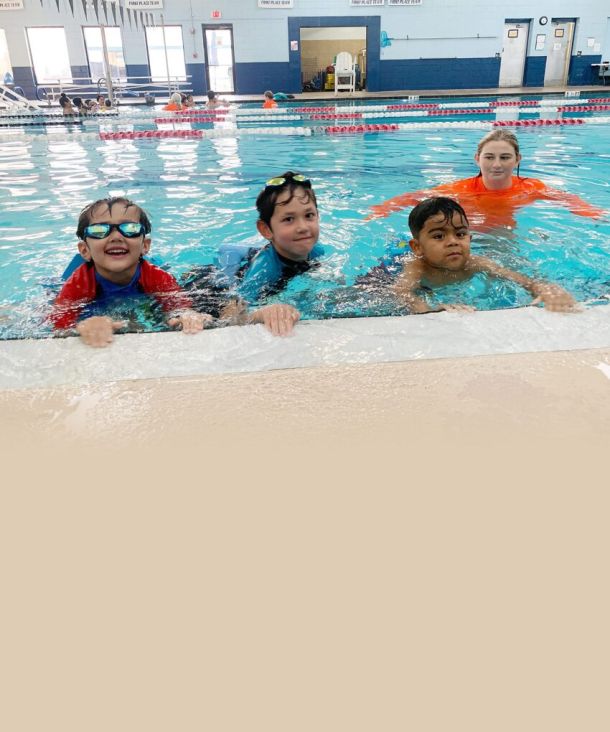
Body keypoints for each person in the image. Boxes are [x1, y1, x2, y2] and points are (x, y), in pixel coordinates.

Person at [49, 197, 212, 347]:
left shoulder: (156, 276)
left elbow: (180, 308)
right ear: (85, 250)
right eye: (99, 230)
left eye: (130, 228)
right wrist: (83, 326)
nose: (116, 237)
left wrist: (187, 316)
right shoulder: (78, 283)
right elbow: (57, 327)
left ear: (145, 246)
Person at [368, 129, 605, 231]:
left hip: (506, 235)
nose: (497, 164)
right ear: (477, 159)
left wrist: (593, 214)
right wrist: (381, 210)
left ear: (518, 159)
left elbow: (567, 199)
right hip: (471, 238)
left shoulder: (531, 187)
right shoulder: (461, 189)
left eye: (505, 157)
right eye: (489, 157)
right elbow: (415, 197)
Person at [182, 172, 324, 335]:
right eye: (288, 219)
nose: (303, 227)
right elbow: (230, 316)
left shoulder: (316, 249)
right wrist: (261, 313)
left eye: (309, 215)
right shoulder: (263, 269)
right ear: (266, 230)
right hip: (210, 285)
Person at [392, 197, 577, 313]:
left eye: (460, 234)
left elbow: (521, 280)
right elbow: (402, 292)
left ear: (470, 238)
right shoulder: (417, 267)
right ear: (417, 247)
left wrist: (545, 289)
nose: (453, 242)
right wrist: (428, 311)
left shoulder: (475, 263)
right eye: (439, 236)